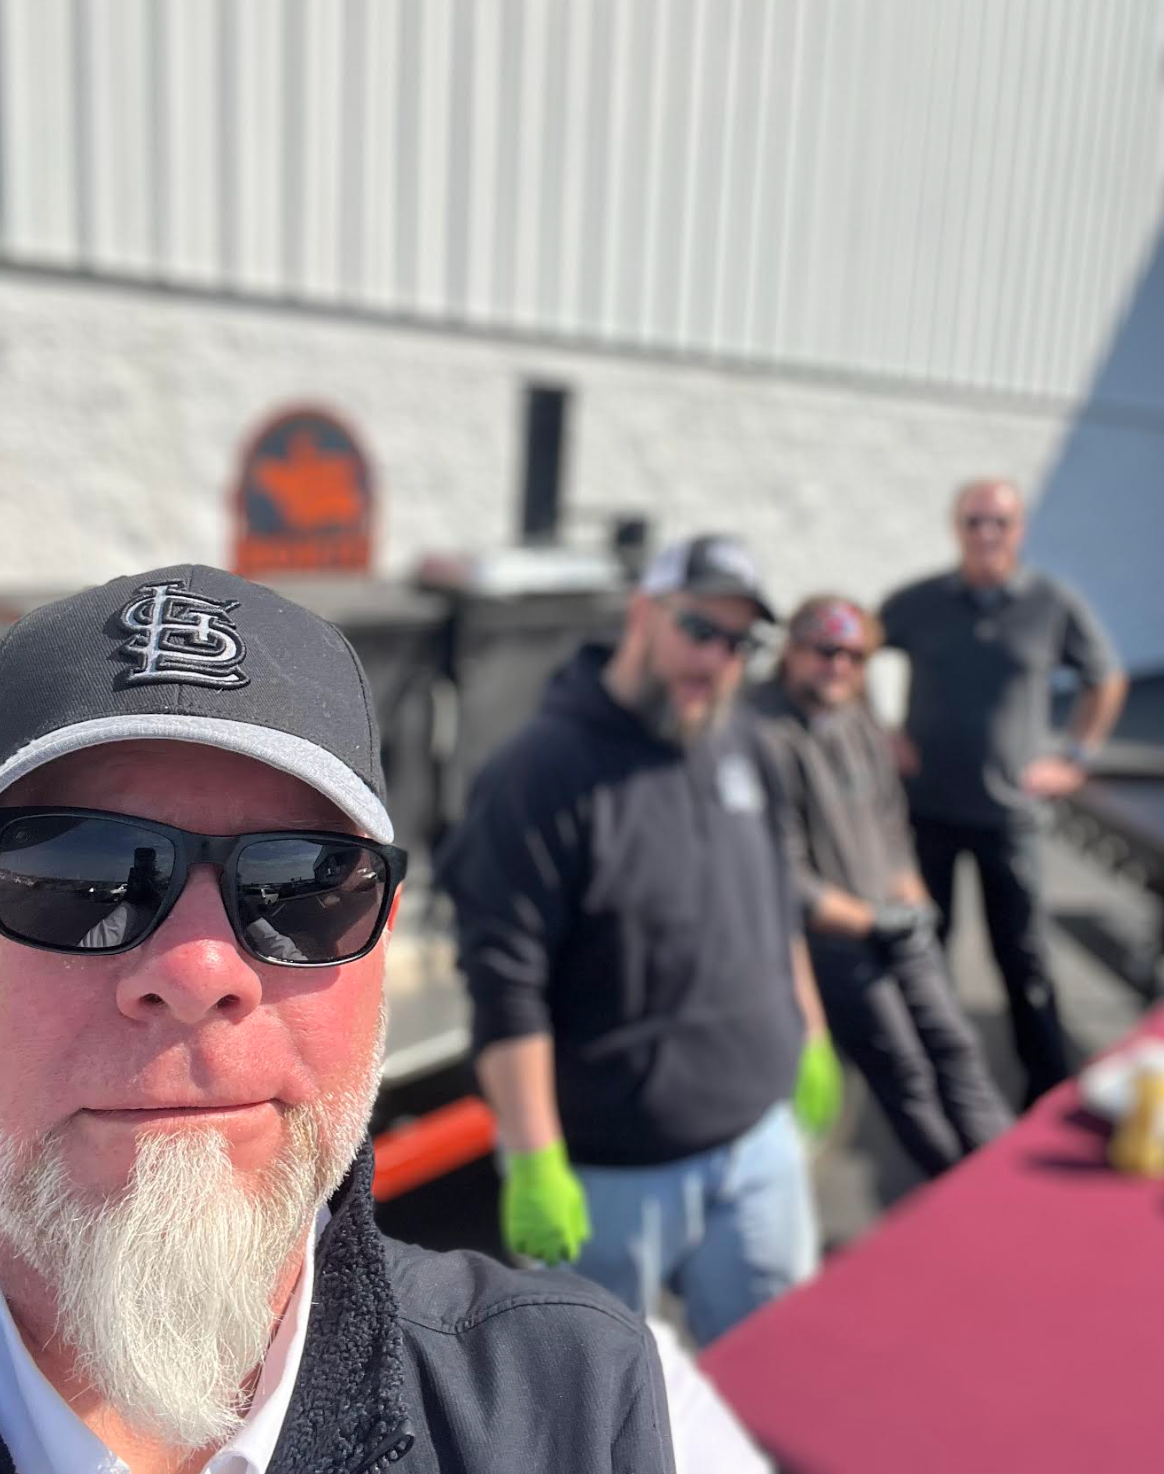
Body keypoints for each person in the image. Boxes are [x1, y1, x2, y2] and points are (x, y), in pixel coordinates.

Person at [0, 566, 675, 1474]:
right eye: (77, 876)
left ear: (382, 932)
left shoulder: (567, 1400)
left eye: (301, 887)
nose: (200, 972)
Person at [438, 535, 843, 1348]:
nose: (718, 658)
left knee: (765, 1383)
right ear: (642, 614)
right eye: (699, 628)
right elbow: (504, 978)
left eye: (740, 642)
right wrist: (533, 1155)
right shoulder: (541, 771)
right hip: (609, 1174)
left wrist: (812, 1035)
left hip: (759, 1143)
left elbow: (775, 905)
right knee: (598, 1412)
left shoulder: (743, 745)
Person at [881, 480, 1127, 1102]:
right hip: (928, 810)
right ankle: (923, 1072)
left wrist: (1074, 757)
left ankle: (1044, 1084)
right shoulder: (918, 602)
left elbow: (1106, 677)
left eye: (1000, 522)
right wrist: (880, 733)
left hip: (1007, 817)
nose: (986, 533)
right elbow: (848, 656)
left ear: (1019, 530)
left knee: (1022, 959)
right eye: (974, 521)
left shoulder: (1050, 603)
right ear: (956, 526)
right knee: (924, 947)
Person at [753, 596, 1013, 1177]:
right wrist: (869, 920)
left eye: (854, 655)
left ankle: (1000, 1179)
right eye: (824, 651)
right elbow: (774, 871)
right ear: (792, 652)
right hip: (828, 943)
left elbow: (892, 822)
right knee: (906, 1070)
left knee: (956, 1043)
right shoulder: (762, 736)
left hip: (894, 919)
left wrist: (911, 890)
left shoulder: (860, 719)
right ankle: (957, 1192)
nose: (838, 666)